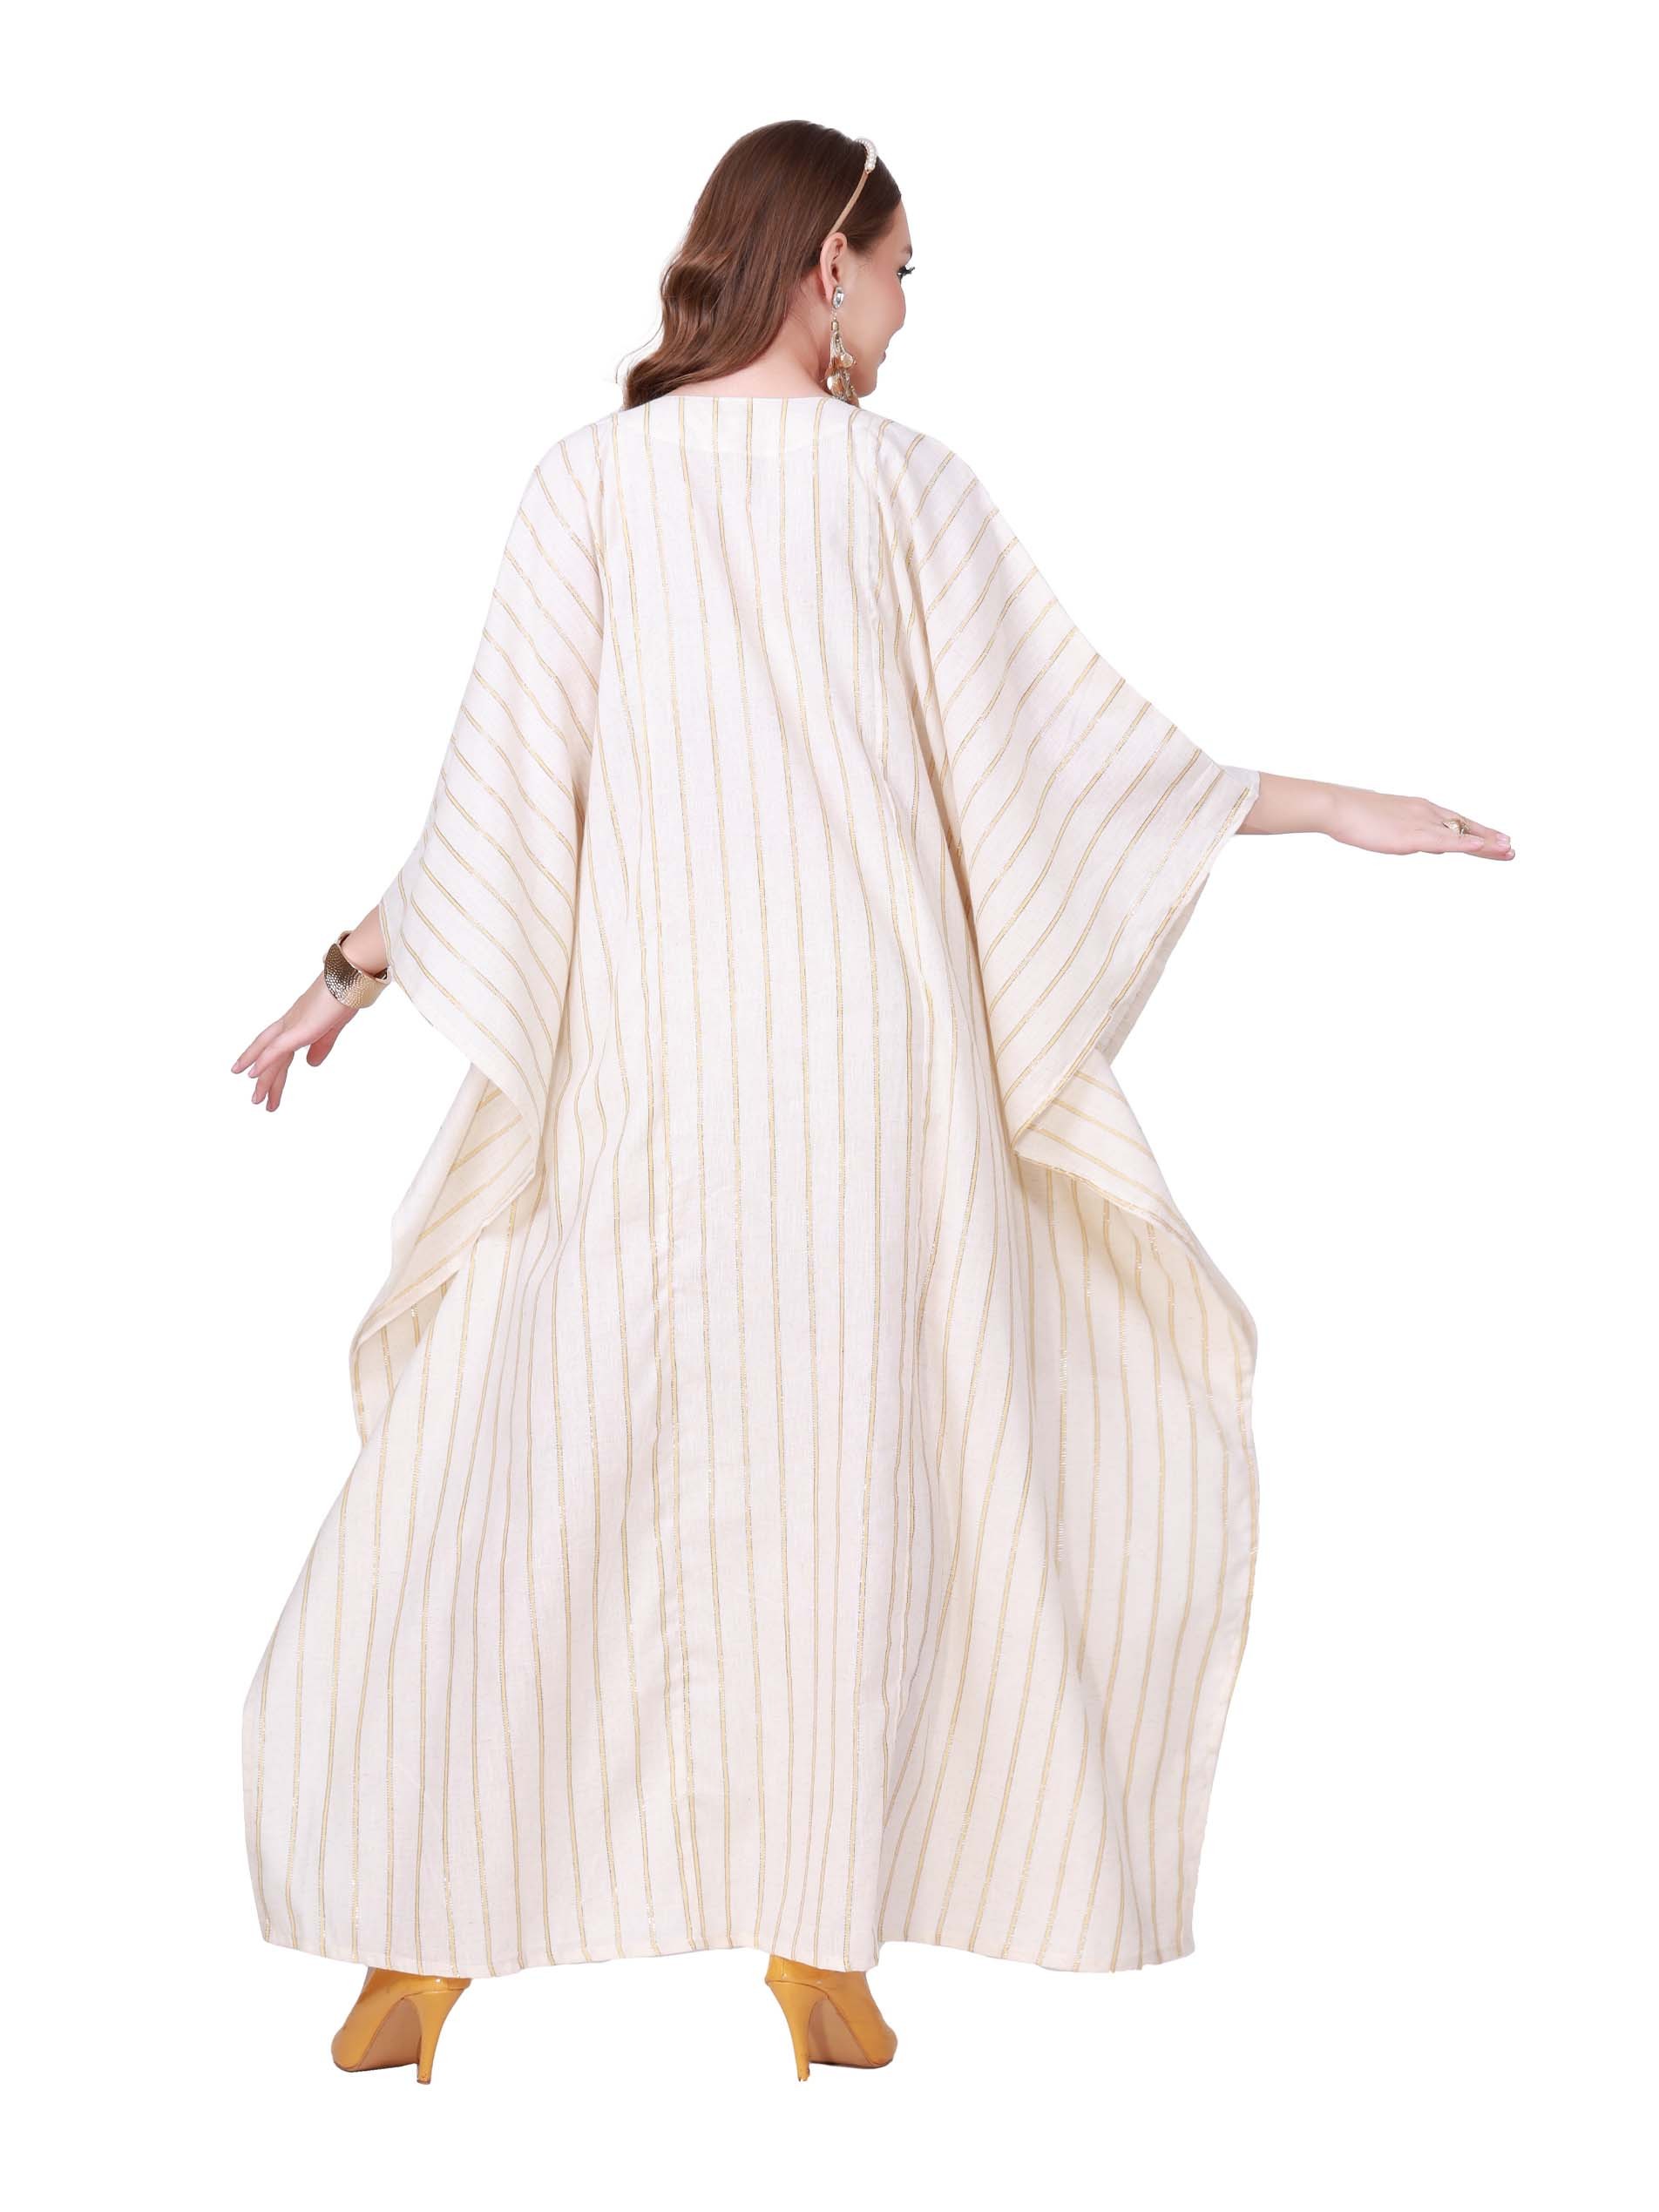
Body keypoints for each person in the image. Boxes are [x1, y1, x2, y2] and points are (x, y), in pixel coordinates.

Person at [232, 120, 1514, 2087]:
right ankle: (507, 1931)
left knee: (718, 1487)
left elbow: (1026, 762)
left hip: (793, 1087)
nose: (911, 313)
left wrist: (347, 972)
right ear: (825, 265)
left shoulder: (776, 489)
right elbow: (524, 803)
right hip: (753, 1083)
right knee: (636, 1482)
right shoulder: (708, 489)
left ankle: (760, 1936)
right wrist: (346, 970)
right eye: (903, 271)